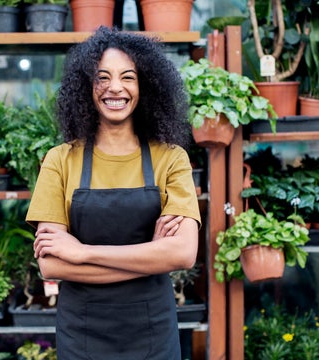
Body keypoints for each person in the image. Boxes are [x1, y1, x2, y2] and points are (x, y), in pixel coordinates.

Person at [26, 26, 200, 359]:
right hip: (83, 334)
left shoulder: (171, 158)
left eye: (128, 77)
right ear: (85, 87)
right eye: (102, 78)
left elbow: (182, 254)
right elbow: (51, 265)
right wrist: (151, 254)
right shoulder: (60, 160)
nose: (115, 88)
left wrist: (83, 253)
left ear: (146, 85)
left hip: (153, 332)